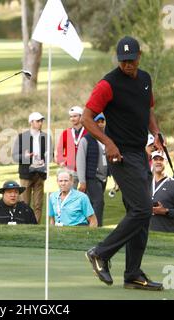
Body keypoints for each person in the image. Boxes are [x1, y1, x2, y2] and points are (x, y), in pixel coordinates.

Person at [82, 36, 164, 290]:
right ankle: (100, 253)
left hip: (140, 154)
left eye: (131, 60)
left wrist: (157, 133)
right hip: (120, 155)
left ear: (139, 56)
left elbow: (147, 111)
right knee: (142, 209)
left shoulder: (146, 80)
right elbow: (86, 118)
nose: (128, 65)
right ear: (118, 60)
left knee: (139, 214)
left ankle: (133, 274)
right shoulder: (108, 84)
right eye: (123, 61)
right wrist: (108, 142)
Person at [12, 112, 53, 223]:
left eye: (41, 121)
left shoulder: (46, 137)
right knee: (24, 203)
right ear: (31, 122)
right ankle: (24, 225)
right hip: (26, 174)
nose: (40, 123)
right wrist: (24, 156)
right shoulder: (22, 137)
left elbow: (50, 155)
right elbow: (15, 156)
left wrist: (46, 158)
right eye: (37, 121)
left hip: (40, 173)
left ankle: (35, 225)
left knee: (38, 204)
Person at [77, 113, 108, 227]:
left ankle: (86, 226)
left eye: (102, 122)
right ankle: (97, 227)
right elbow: (80, 161)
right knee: (99, 202)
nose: (100, 124)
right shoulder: (86, 140)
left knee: (90, 202)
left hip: (103, 178)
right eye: (97, 122)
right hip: (91, 177)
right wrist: (82, 181)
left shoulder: (106, 139)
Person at [56, 106, 87, 189]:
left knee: (86, 195)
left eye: (75, 116)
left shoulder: (88, 131)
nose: (72, 119)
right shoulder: (66, 132)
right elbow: (59, 149)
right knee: (69, 195)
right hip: (70, 169)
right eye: (71, 117)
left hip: (85, 168)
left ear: (81, 116)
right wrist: (61, 161)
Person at [150, 151, 174, 233]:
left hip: (166, 235)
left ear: (166, 162)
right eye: (155, 159)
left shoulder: (172, 183)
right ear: (152, 162)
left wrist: (166, 211)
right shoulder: (145, 183)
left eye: (161, 159)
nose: (158, 162)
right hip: (145, 234)